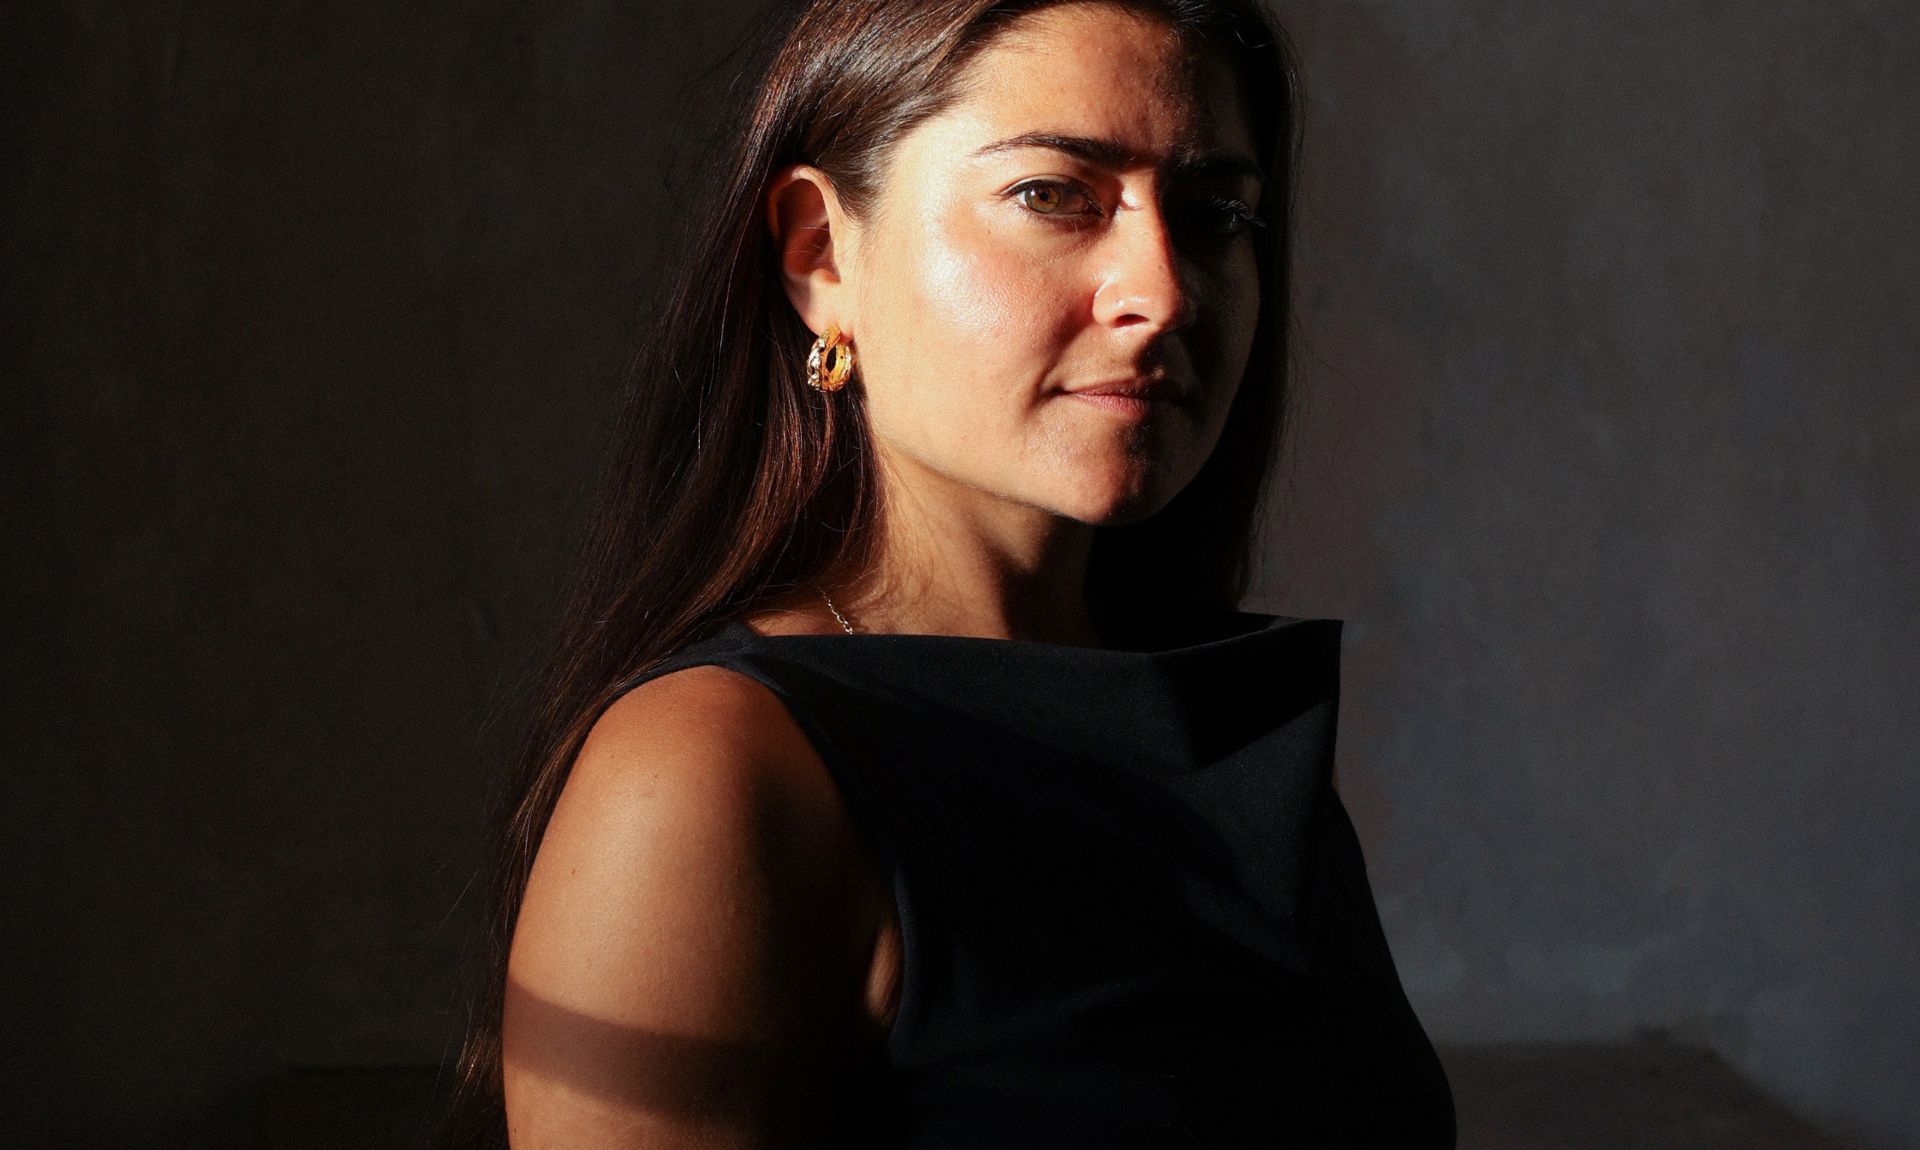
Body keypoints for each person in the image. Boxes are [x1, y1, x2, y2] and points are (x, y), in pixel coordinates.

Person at [444, 0, 1456, 1145]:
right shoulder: (712, 774)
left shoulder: (1224, 737)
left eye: (1216, 213)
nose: (1163, 291)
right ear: (822, 255)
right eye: (1053, 195)